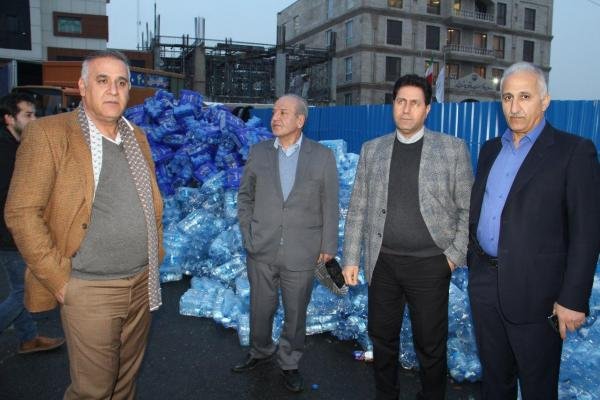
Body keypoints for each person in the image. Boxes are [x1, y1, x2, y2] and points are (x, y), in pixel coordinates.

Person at [5, 50, 164, 399]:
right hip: (90, 288)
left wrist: (155, 257)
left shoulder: (136, 136)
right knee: (94, 389)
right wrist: (60, 281)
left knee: (125, 381)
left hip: (141, 282)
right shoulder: (49, 133)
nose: (113, 90)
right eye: (102, 80)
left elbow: (150, 202)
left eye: (121, 82)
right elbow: (21, 212)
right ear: (82, 86)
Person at [468, 62, 600, 399]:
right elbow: (479, 210)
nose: (514, 107)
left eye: (525, 97)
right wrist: (474, 263)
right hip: (485, 286)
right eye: (507, 97)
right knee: (494, 382)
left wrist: (572, 299)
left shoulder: (573, 152)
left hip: (537, 296)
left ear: (545, 101)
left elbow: (586, 232)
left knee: (538, 387)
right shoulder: (490, 150)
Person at [342, 74, 473, 400]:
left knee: (430, 343)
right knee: (382, 339)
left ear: (427, 109)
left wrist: (452, 257)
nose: (406, 109)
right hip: (383, 263)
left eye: (415, 103)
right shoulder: (373, 150)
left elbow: (468, 209)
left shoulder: (452, 150)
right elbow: (357, 208)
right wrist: (351, 259)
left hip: (430, 264)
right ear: (393, 105)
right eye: (401, 101)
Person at [234, 94, 339, 393]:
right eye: (274, 112)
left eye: (283, 112)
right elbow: (245, 196)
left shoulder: (322, 156)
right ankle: (260, 350)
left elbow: (330, 204)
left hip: (302, 250)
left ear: (300, 120)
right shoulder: (259, 152)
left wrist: (328, 245)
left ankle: (289, 362)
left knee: (295, 312)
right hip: (261, 247)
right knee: (260, 306)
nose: (275, 117)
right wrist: (248, 232)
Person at [0, 93, 65, 354]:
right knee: (24, 290)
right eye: (28, 115)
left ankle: (28, 338)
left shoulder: (16, 146)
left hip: (11, 233)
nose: (34, 120)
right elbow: (16, 202)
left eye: (35, 114)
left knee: (22, 287)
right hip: (11, 235)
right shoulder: (6, 153)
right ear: (9, 118)